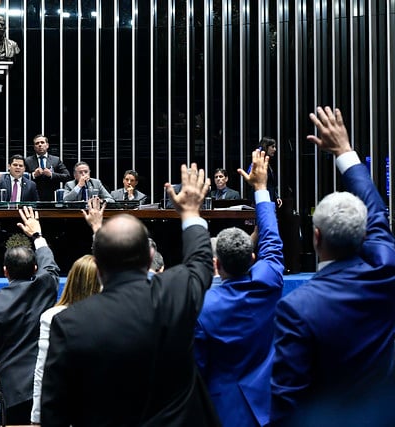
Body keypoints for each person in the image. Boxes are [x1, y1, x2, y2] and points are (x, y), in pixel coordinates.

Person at [41, 163, 220, 426]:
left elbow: (54, 413)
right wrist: (191, 212)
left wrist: (98, 230)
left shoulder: (69, 323)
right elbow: (201, 260)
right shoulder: (175, 292)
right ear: (150, 256)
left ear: (97, 262)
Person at [269, 106, 395, 425]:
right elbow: (377, 213)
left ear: (316, 237)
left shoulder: (296, 307)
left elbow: (287, 399)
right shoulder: (386, 268)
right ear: (365, 234)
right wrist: (345, 151)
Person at [194, 149, 284, 427]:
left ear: (216, 265)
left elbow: (196, 369)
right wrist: (261, 189)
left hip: (223, 410)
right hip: (272, 403)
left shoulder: (202, 307)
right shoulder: (268, 279)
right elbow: (270, 239)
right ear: (253, 258)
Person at [0, 206, 60, 425]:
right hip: (46, 386)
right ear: (34, 269)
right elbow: (49, 266)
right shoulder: (45, 286)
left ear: (5, 271)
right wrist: (37, 235)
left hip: (11, 392)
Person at [30, 254, 101, 424]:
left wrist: (36, 417)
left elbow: (42, 371)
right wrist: (36, 416)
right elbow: (43, 370)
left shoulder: (52, 316)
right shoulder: (53, 317)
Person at [24, 134, 71, 201]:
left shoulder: (56, 160)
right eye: (37, 143)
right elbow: (20, 178)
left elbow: (67, 176)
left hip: (51, 198)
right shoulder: (27, 161)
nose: (40, 145)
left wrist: (51, 174)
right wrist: (33, 175)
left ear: (47, 145)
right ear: (34, 147)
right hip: (32, 197)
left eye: (42, 142)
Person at [253, 137, 282, 207]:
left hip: (269, 199)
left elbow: (270, 184)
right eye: (272, 147)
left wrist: (276, 196)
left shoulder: (268, 164)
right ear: (266, 147)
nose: (275, 149)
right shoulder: (258, 162)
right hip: (261, 201)